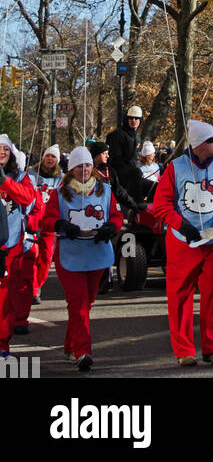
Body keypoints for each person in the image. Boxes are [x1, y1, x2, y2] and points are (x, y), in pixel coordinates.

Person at [152, 118, 213, 366]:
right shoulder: (175, 168)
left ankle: (212, 349)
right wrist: (180, 224)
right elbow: (161, 204)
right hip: (183, 242)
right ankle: (184, 351)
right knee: (180, 296)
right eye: (212, 141)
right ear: (199, 144)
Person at [40, 145, 123, 371]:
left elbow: (116, 216)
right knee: (78, 304)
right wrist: (61, 225)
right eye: (79, 166)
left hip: (97, 254)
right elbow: (46, 221)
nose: (84, 170)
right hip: (71, 256)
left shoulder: (104, 189)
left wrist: (110, 227)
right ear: (71, 169)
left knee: (87, 302)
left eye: (87, 165)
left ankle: (70, 345)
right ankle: (83, 351)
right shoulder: (60, 192)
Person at [0, 135, 37, 360]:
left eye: (5, 149)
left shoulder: (21, 177)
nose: (2, 152)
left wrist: (5, 182)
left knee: (5, 300)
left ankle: (3, 347)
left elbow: (28, 198)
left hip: (10, 246)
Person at [29, 143, 64, 303]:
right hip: (32, 222)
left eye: (53, 157)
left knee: (46, 257)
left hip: (49, 223)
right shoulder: (31, 174)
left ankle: (37, 286)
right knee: (31, 256)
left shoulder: (61, 178)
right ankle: (32, 288)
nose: (50, 159)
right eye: (48, 156)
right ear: (43, 158)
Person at [106, 105, 150, 211]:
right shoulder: (118, 134)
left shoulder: (137, 137)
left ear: (140, 120)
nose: (133, 121)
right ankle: (138, 203)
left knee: (153, 186)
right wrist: (133, 170)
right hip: (116, 172)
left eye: (136, 118)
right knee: (136, 173)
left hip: (132, 173)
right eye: (131, 118)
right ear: (127, 119)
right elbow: (115, 160)